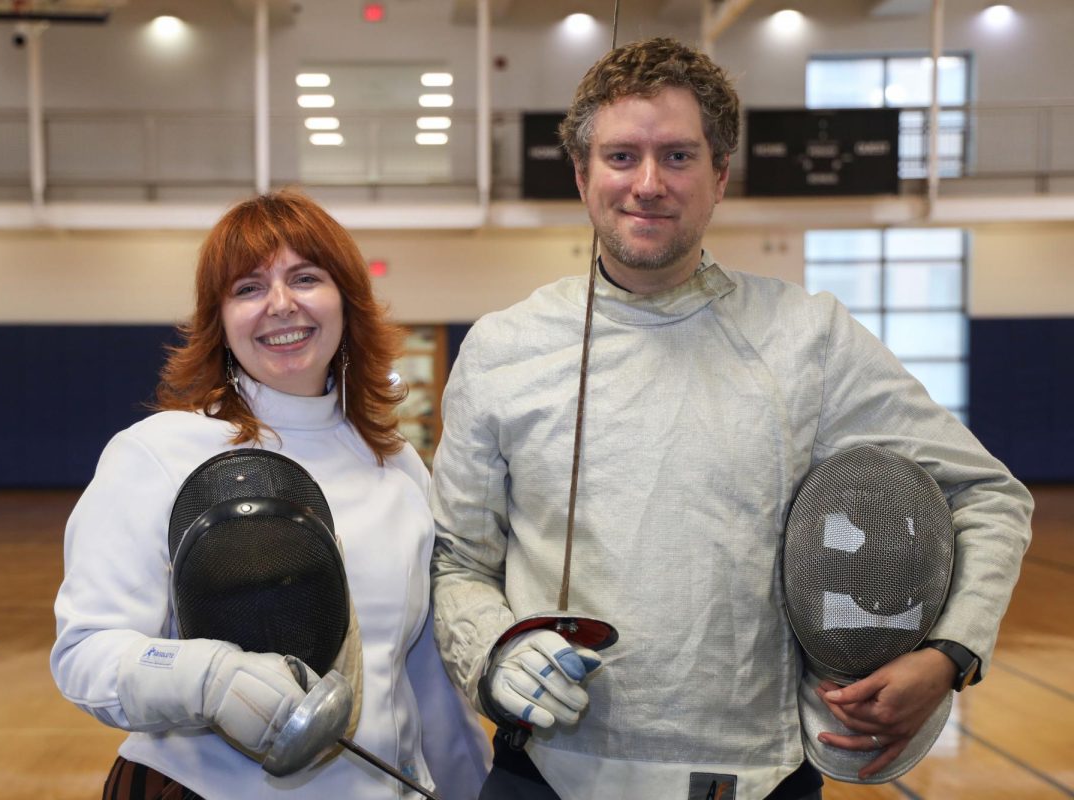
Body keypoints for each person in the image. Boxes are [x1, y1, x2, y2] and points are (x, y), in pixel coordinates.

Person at [429, 37, 1032, 800]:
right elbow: (457, 560)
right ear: (582, 177)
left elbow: (987, 493)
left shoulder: (807, 337)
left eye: (678, 157)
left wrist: (949, 652)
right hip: (547, 770)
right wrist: (493, 652)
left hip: (755, 775)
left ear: (719, 176)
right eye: (621, 157)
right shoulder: (503, 349)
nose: (648, 184)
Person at [51, 189, 490, 800]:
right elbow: (85, 655)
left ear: (345, 300)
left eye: (305, 278)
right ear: (220, 319)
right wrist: (208, 679)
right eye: (248, 288)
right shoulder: (158, 453)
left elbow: (420, 678)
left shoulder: (395, 465)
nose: (280, 306)